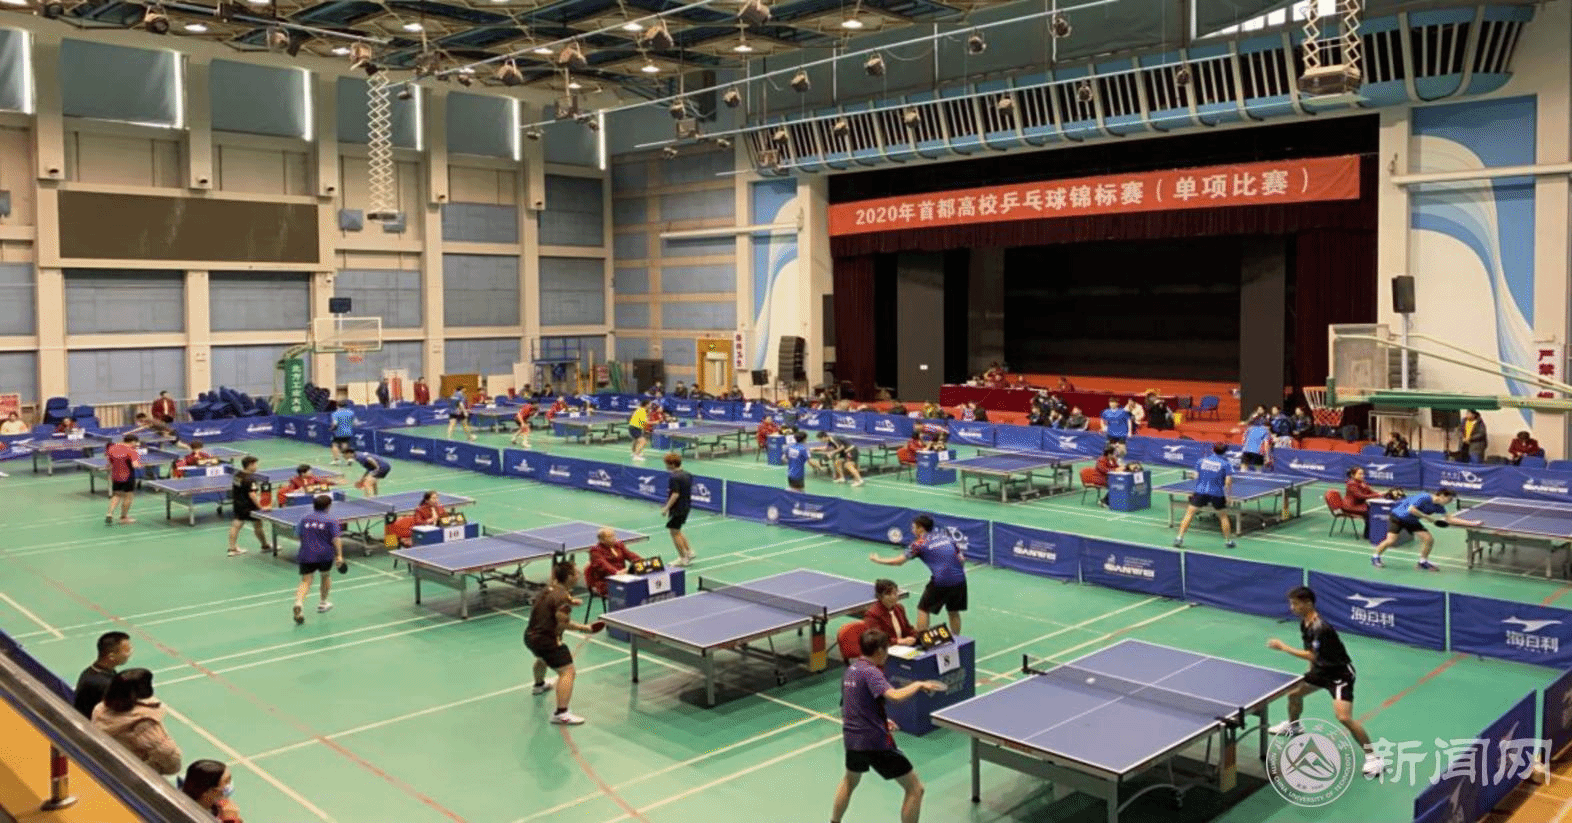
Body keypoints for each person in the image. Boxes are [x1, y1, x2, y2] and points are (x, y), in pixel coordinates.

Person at [1266, 586, 1387, 779]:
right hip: (1321, 670)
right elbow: (1312, 655)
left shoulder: (1320, 628)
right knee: (1294, 694)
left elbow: (1312, 655)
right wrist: (1310, 674)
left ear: (1308, 603)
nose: (1292, 607)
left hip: (1339, 675)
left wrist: (1283, 647)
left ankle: (1374, 758)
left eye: (1295, 604)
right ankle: (1294, 726)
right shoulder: (1305, 623)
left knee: (1343, 717)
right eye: (1291, 603)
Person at [830, 628, 945, 823]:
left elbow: (850, 706)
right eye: (887, 649)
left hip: (852, 739)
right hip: (875, 742)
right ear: (879, 651)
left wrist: (881, 720)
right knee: (915, 789)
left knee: (849, 781)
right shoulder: (871, 672)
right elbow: (895, 696)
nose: (888, 653)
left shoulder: (851, 671)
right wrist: (918, 684)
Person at [524, 560, 605, 725]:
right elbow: (563, 624)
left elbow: (555, 599)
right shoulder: (561, 598)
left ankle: (539, 685)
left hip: (530, 636)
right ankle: (561, 713)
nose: (579, 574)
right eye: (576, 573)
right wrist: (585, 628)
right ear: (569, 577)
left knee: (542, 658)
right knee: (568, 671)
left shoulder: (549, 589)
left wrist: (571, 601)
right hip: (546, 640)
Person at [869, 515, 966, 635]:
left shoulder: (919, 544)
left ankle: (922, 639)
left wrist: (878, 560)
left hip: (941, 580)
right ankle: (957, 639)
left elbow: (899, 562)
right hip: (960, 578)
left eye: (914, 527)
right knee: (953, 611)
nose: (912, 530)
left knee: (923, 609)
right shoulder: (946, 537)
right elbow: (961, 559)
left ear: (921, 528)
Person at [91, 669, 182, 775]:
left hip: (106, 765)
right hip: (130, 774)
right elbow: (170, 758)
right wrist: (155, 769)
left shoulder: (100, 708)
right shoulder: (143, 722)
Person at [1371, 488, 1460, 570]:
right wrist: (1427, 517)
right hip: (1398, 517)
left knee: (1428, 539)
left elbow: (1449, 519)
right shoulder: (1424, 497)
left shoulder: (1439, 507)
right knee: (1391, 540)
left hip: (1411, 520)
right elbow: (1411, 509)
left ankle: (1422, 562)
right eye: (1449, 499)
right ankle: (1375, 556)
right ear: (1442, 496)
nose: (1450, 502)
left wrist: (1468, 523)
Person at [292, 495, 345, 624]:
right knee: (325, 576)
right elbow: (336, 539)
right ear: (328, 506)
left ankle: (298, 603)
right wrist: (339, 556)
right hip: (324, 554)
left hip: (306, 553)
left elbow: (298, 535)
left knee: (306, 580)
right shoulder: (331, 520)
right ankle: (323, 603)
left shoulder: (304, 518)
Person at [1173, 442, 1236, 549]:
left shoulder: (1201, 461)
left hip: (1200, 491)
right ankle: (1228, 541)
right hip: (1217, 493)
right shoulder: (1226, 464)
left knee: (1189, 514)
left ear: (1213, 449)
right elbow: (1228, 482)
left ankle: (1179, 538)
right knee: (1223, 516)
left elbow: (1195, 476)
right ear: (1225, 452)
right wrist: (1229, 496)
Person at [73, 631, 132, 718]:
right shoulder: (103, 684)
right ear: (111, 656)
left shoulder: (91, 670)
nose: (130, 653)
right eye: (127, 650)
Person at [226, 456, 270, 557]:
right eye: (255, 464)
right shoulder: (250, 479)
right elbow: (252, 495)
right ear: (250, 465)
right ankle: (265, 546)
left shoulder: (238, 475)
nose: (256, 466)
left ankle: (232, 548)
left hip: (238, 504)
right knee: (258, 525)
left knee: (236, 525)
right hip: (249, 506)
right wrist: (261, 507)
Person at [585, 527, 645, 596]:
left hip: (624, 577)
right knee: (632, 589)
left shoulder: (619, 545)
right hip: (606, 581)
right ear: (602, 540)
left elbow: (630, 555)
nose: (614, 538)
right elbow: (603, 564)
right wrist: (616, 572)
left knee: (642, 583)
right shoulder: (595, 551)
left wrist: (641, 562)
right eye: (610, 536)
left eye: (613, 535)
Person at [661, 453, 697, 566]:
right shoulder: (688, 474)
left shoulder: (674, 477)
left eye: (667, 464)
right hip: (686, 506)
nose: (666, 466)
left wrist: (666, 508)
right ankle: (689, 552)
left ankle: (683, 558)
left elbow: (675, 494)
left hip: (677, 508)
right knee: (677, 530)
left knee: (674, 532)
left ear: (672, 464)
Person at [103, 434, 142, 526]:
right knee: (128, 497)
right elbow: (135, 465)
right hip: (128, 476)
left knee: (116, 495)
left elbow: (109, 462)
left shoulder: (112, 448)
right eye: (136, 443)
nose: (136, 444)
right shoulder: (132, 451)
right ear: (133, 442)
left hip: (116, 476)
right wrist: (141, 465)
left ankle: (109, 513)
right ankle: (123, 518)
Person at [863, 579, 915, 646]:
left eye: (895, 593)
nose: (893, 597)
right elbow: (877, 639)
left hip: (904, 647)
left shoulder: (899, 608)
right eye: (888, 594)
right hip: (884, 649)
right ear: (880, 596)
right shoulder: (872, 615)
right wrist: (898, 641)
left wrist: (917, 635)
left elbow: (908, 629)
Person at [1341, 467, 1387, 539]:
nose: (1362, 475)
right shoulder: (1351, 484)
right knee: (1371, 512)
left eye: (1363, 474)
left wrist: (1381, 494)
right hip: (1351, 506)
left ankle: (1376, 532)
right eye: (1360, 474)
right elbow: (1360, 496)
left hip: (1359, 504)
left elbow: (1370, 491)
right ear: (1353, 475)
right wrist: (1377, 495)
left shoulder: (1362, 482)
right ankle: (1368, 535)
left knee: (1375, 509)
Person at [328, 401, 355, 465]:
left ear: (337, 406)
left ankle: (336, 460)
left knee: (334, 445)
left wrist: (331, 428)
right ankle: (349, 459)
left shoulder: (335, 413)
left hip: (339, 432)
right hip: (348, 432)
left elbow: (335, 423)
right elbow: (354, 423)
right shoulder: (351, 412)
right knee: (345, 444)